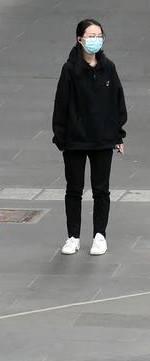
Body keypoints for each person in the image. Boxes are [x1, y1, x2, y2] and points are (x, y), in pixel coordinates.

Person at [52, 19, 127, 256]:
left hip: (103, 139)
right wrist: (61, 137)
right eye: (90, 35)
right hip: (75, 139)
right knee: (73, 189)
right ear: (79, 39)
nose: (95, 39)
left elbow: (118, 102)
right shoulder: (69, 69)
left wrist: (118, 135)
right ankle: (73, 236)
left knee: (101, 190)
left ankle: (99, 235)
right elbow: (61, 104)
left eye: (99, 35)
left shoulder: (109, 67)